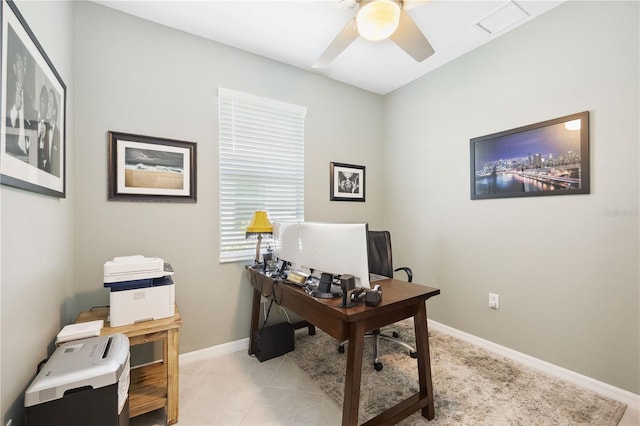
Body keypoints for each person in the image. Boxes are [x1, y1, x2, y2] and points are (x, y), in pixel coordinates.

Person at [46, 88, 61, 177]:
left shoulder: (59, 136)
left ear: (54, 111)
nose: (47, 107)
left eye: (50, 104)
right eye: (47, 103)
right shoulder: (42, 130)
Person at [37, 85, 49, 171]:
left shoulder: (49, 126)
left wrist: (42, 141)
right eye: (42, 101)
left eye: (45, 102)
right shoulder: (32, 119)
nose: (43, 105)